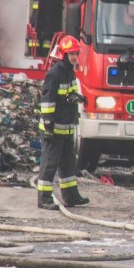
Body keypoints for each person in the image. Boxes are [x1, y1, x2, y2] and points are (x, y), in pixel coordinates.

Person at [36, 35, 90, 210]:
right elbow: (47, 102)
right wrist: (49, 125)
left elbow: (68, 93)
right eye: (71, 54)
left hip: (66, 128)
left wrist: (78, 97)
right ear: (62, 54)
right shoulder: (54, 73)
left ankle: (71, 197)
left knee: (68, 164)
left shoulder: (69, 71)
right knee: (50, 164)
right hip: (54, 128)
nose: (74, 57)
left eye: (75, 53)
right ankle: (44, 199)